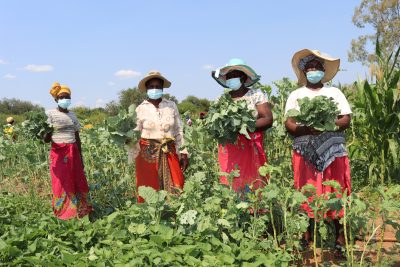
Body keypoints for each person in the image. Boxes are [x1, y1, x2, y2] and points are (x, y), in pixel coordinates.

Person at [284, 49, 352, 251]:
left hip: (332, 150)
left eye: (317, 67)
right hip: (305, 150)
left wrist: (328, 124)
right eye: (309, 68)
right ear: (304, 72)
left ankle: (340, 237)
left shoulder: (334, 93)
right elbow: (289, 123)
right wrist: (305, 128)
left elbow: (345, 119)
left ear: (323, 70)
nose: (313, 70)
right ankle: (306, 235)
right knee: (306, 189)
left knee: (336, 188)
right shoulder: (296, 95)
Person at [211, 58, 273, 193]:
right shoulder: (222, 99)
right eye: (229, 76)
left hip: (251, 145)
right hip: (230, 148)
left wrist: (243, 126)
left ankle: (255, 210)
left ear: (244, 77)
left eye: (235, 75)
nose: (232, 78)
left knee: (254, 179)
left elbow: (267, 119)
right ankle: (234, 209)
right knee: (231, 178)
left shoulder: (256, 94)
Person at [134, 71, 189, 202]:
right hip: (147, 154)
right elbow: (134, 134)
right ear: (146, 89)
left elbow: (178, 130)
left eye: (158, 86)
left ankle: (173, 217)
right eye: (151, 86)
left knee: (177, 184)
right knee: (149, 188)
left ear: (162, 88)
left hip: (169, 150)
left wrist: (184, 153)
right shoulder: (140, 109)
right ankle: (151, 218)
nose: (155, 89)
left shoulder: (171, 106)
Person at [43, 82, 92, 220]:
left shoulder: (73, 115)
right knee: (62, 182)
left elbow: (77, 137)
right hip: (59, 152)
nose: (65, 100)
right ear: (56, 100)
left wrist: (81, 158)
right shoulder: (50, 114)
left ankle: (81, 210)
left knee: (78, 180)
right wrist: (47, 131)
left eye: (67, 97)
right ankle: (64, 213)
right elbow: (46, 139)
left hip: (73, 151)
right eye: (62, 97)